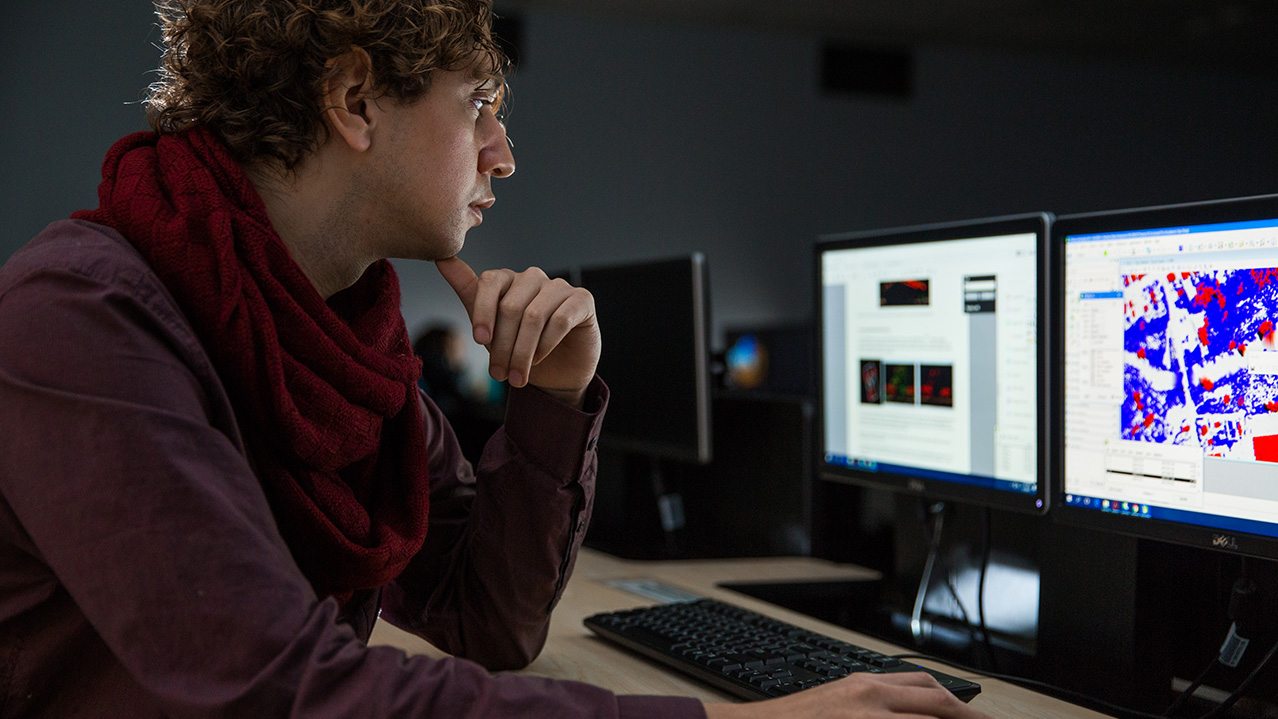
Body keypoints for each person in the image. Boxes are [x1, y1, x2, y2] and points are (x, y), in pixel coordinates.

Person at [0, 1, 993, 718]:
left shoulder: (342, 340)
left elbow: (486, 620)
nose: (503, 153)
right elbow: (274, 690)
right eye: (477, 105)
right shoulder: (85, 317)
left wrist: (554, 398)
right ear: (354, 99)